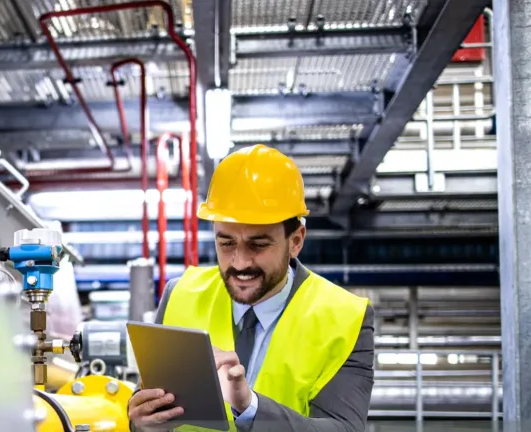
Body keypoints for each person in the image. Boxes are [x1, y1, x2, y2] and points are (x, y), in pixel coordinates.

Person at [127, 144, 375, 432]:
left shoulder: (346, 318)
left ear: (296, 241)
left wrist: (250, 407)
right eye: (226, 243)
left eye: (258, 244)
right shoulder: (180, 295)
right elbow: (148, 406)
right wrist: (142, 423)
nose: (240, 262)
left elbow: (344, 429)